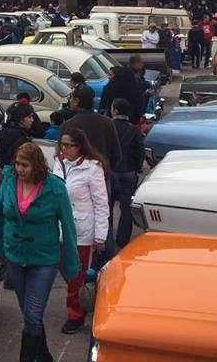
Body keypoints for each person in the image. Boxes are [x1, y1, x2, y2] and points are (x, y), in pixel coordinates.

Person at [0, 142, 79, 361]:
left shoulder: (56, 188)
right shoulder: (9, 181)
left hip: (43, 261)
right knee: (31, 316)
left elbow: (68, 227)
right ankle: (45, 356)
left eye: (25, 165)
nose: (20, 169)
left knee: (32, 315)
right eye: (17, 164)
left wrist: (70, 263)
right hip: (15, 257)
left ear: (37, 165)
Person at [51, 127, 109, 334]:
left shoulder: (92, 169)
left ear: (80, 147)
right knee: (65, 271)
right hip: (59, 229)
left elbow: (101, 204)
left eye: (69, 145)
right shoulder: (58, 163)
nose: (64, 149)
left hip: (81, 231)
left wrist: (100, 236)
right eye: (62, 145)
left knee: (76, 275)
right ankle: (85, 297)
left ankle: (76, 315)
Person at [107, 98, 144, 248]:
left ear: (115, 110)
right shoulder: (133, 129)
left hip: (110, 170)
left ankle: (107, 237)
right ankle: (122, 240)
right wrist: (137, 167)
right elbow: (139, 151)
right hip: (128, 171)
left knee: (107, 205)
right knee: (126, 207)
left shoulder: (108, 126)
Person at [58, 87, 122, 172]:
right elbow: (116, 155)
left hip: (75, 174)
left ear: (77, 101)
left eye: (71, 98)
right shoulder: (107, 123)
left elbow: (61, 153)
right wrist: (105, 168)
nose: (70, 101)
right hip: (101, 173)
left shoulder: (68, 125)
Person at [0, 103, 36, 168]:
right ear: (20, 120)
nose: (32, 120)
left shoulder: (3, 134)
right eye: (29, 117)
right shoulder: (22, 140)